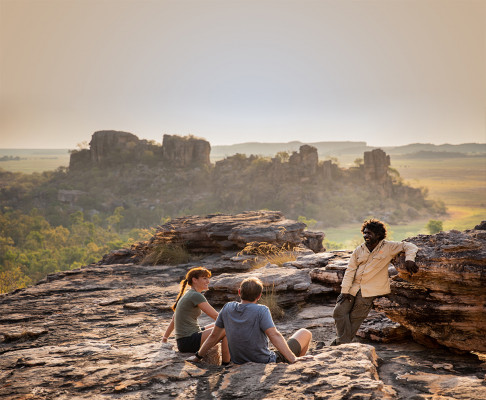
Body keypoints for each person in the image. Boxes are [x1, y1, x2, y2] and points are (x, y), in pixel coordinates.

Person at [331, 218, 419, 345]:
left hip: (370, 290)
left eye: (369, 233)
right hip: (352, 287)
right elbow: (350, 270)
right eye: (365, 233)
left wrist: (410, 259)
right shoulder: (359, 250)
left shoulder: (388, 247)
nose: (366, 236)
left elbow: (410, 246)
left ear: (378, 235)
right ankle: (341, 342)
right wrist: (345, 290)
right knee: (338, 312)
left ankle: (340, 344)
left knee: (355, 317)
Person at [188, 277, 312, 364]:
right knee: (305, 333)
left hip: (239, 361)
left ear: (239, 292)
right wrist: (292, 358)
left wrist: (198, 357)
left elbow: (214, 336)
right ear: (259, 296)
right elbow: (274, 335)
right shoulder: (262, 310)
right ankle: (295, 364)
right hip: (263, 361)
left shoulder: (227, 308)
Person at [162, 267, 230, 364]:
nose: (208, 281)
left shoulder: (188, 294)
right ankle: (226, 364)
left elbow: (174, 319)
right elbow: (216, 316)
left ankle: (227, 361)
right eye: (204, 278)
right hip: (189, 341)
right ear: (194, 280)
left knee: (217, 325)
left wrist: (165, 339)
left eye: (208, 278)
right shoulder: (196, 296)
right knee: (226, 329)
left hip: (184, 341)